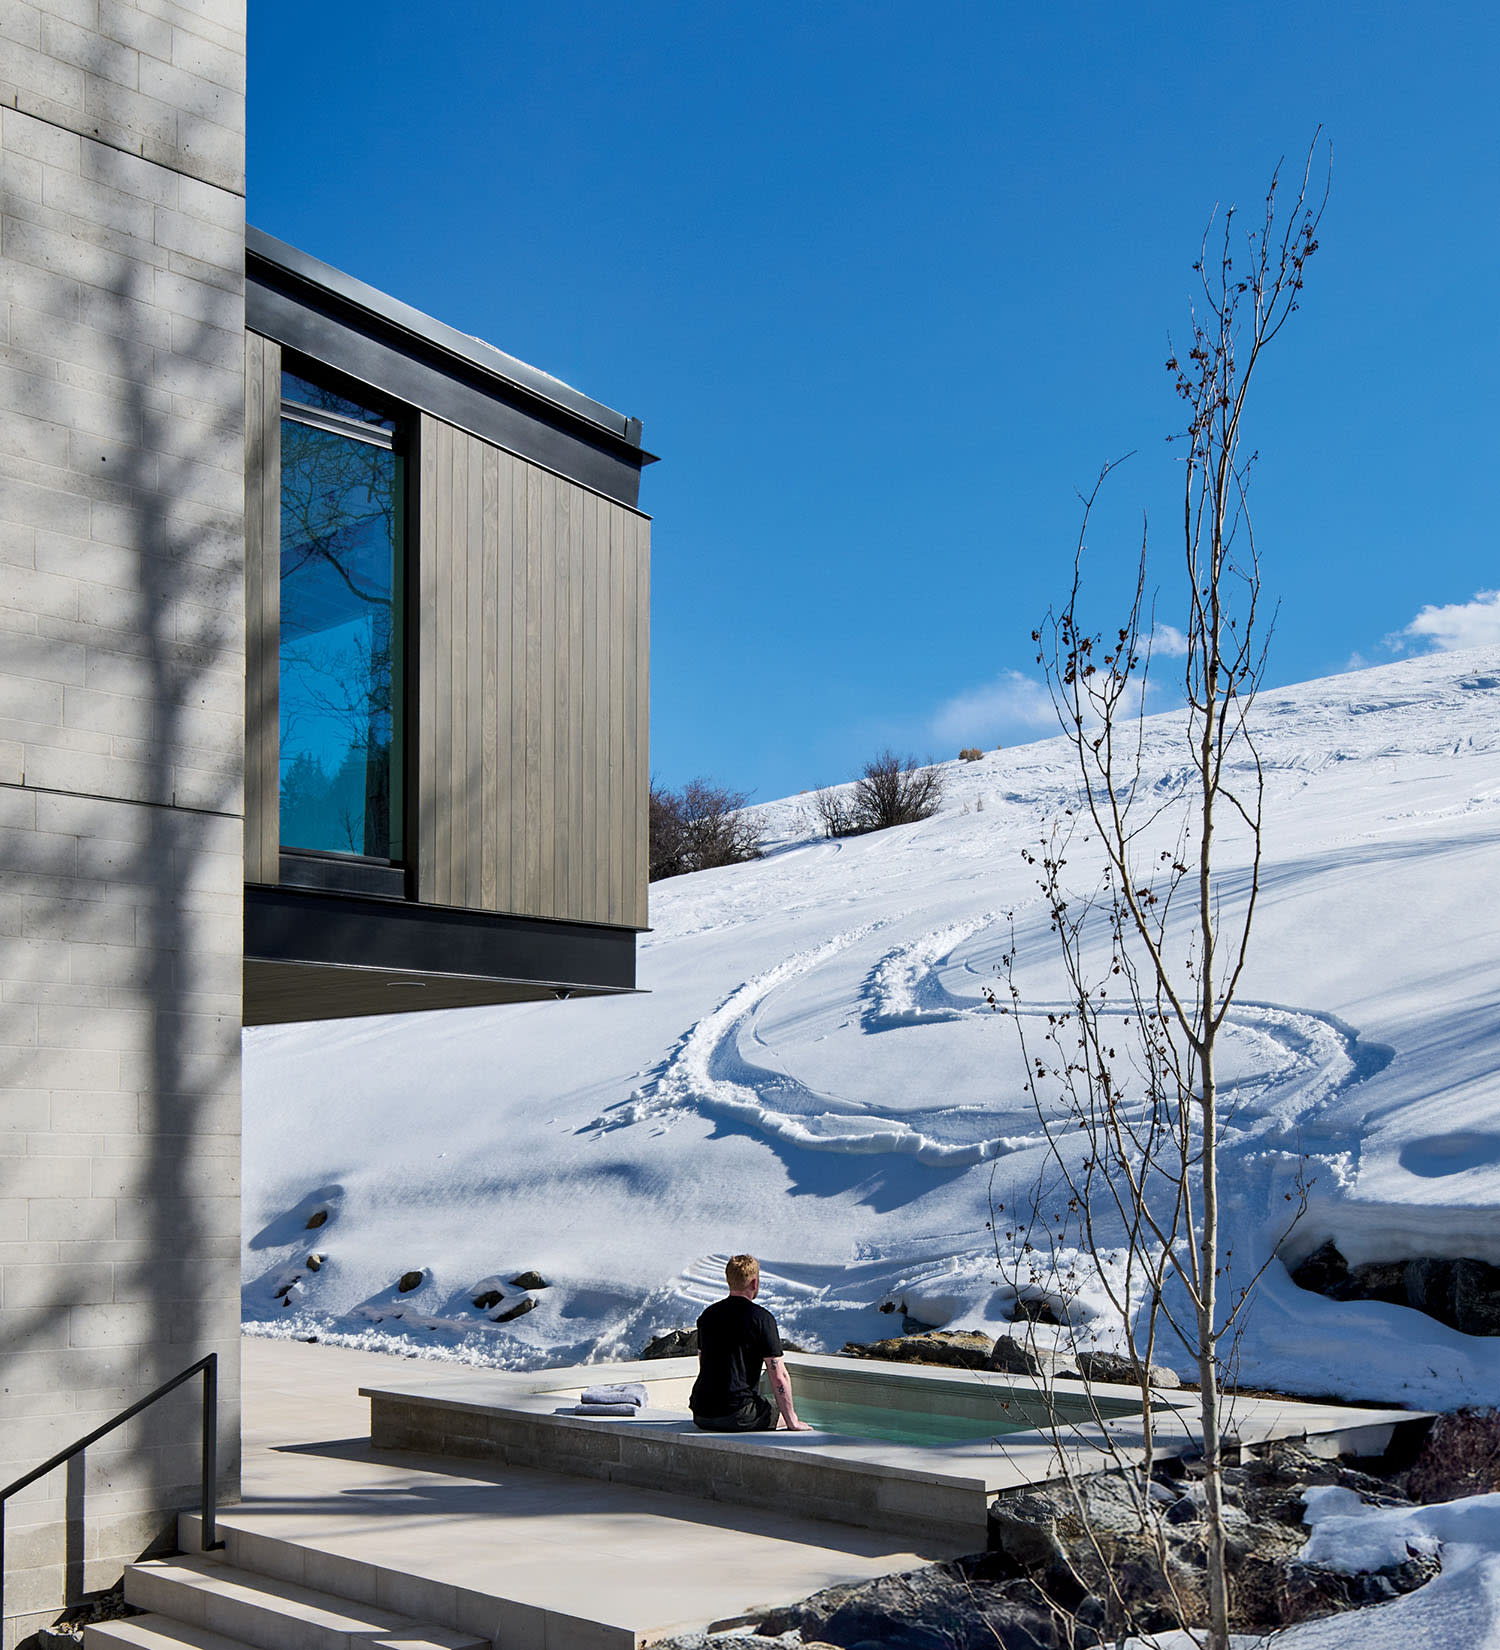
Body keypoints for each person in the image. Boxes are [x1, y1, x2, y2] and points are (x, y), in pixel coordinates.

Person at [689, 1254, 811, 1431]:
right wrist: (792, 1420)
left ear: (729, 1281)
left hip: (701, 1413)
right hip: (737, 1413)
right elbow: (778, 1374)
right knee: (782, 1415)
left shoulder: (707, 1315)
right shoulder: (761, 1318)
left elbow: (703, 1362)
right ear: (754, 1283)